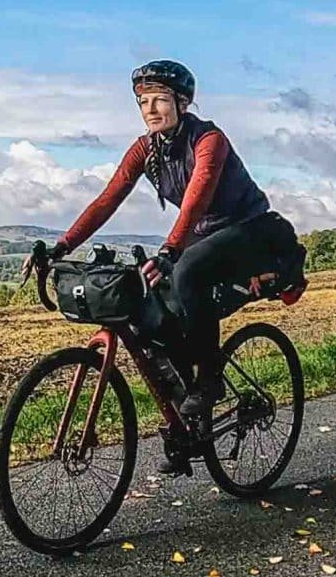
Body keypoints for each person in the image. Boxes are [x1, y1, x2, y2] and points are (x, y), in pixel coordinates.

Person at [29, 60, 300, 473]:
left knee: (189, 270)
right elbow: (107, 199)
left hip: (250, 230)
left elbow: (198, 196)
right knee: (150, 309)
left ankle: (208, 380)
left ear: (183, 101)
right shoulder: (146, 149)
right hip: (204, 237)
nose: (150, 109)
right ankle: (187, 420)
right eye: (143, 102)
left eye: (159, 99)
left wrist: (172, 248)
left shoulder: (208, 139)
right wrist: (62, 245)